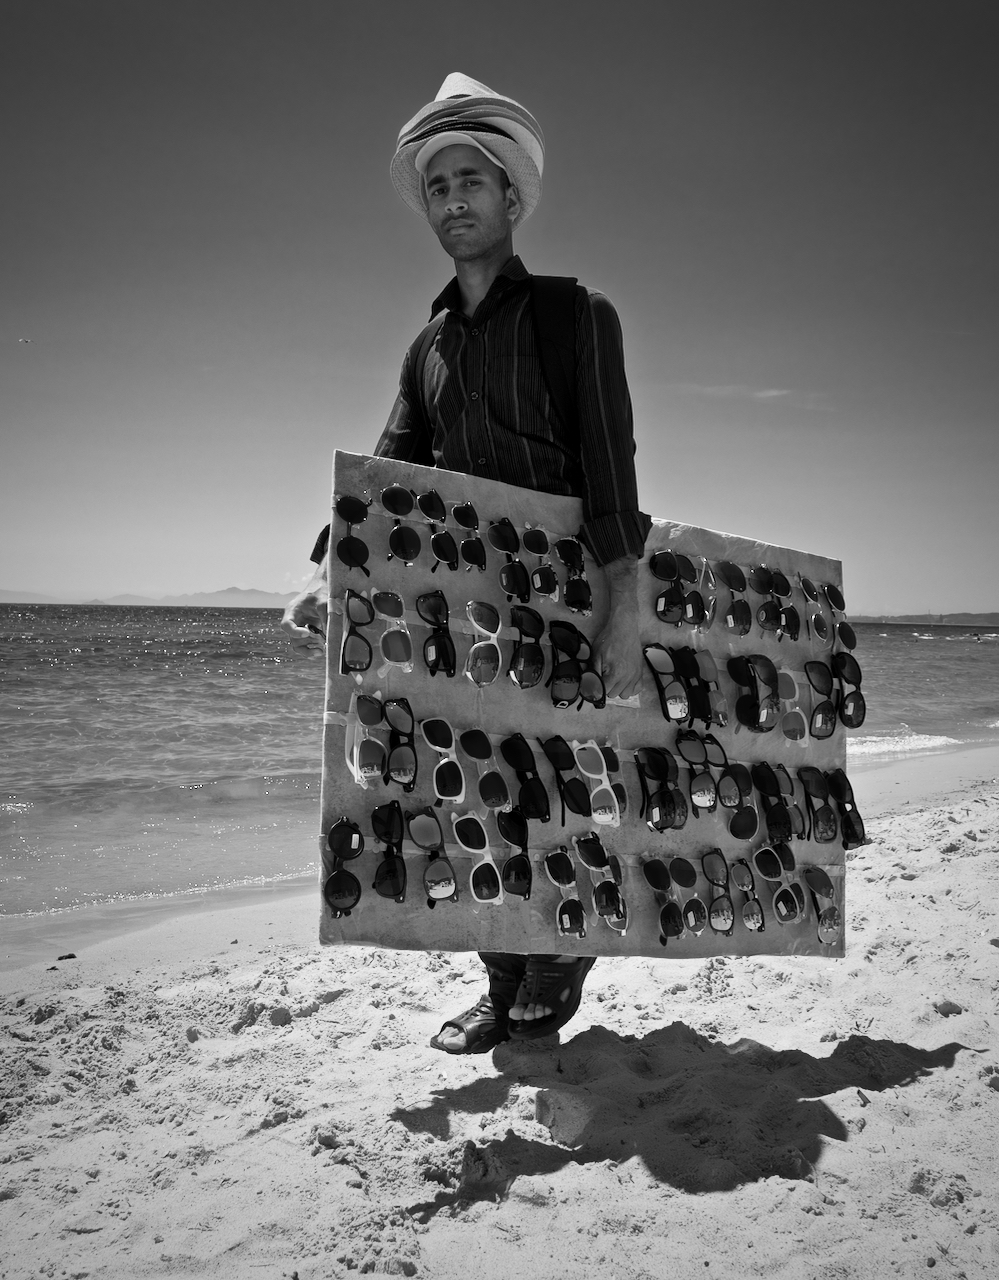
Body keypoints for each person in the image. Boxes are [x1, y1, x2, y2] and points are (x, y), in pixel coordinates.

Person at [282, 73, 649, 1054]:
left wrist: (624, 614)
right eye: (437, 184)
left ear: (511, 197)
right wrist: (331, 571)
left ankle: (557, 963)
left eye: (469, 181)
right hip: (466, 619)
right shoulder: (427, 350)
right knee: (471, 802)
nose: (451, 200)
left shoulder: (579, 319)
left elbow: (614, 478)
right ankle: (502, 984)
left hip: (564, 610)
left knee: (556, 792)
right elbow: (389, 473)